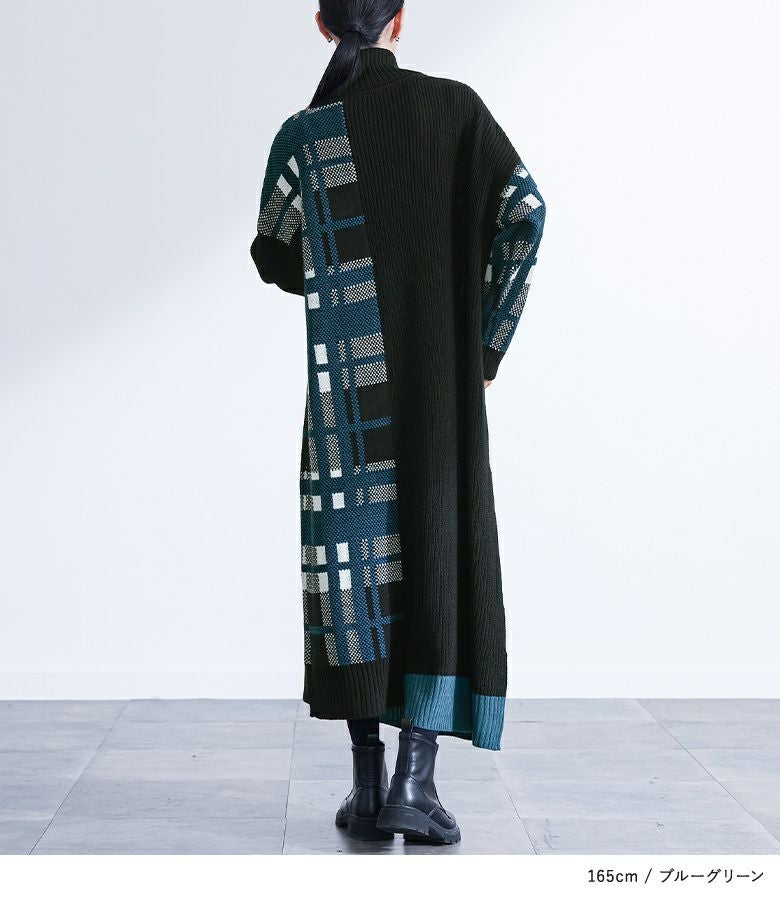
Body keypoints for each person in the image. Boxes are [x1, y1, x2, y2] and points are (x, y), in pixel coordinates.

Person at [251, 0, 546, 845]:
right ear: (401, 21)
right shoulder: (456, 109)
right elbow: (525, 212)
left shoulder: (307, 134)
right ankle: (416, 784)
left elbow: (274, 252)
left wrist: (339, 260)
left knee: (355, 573)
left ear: (322, 25)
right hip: (440, 391)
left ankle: (367, 786)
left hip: (349, 394)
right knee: (436, 553)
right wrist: (482, 345)